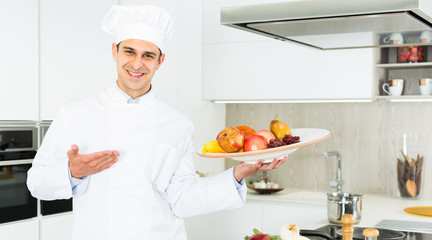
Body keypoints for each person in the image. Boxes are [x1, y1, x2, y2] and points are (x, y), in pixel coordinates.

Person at [27, 5, 286, 240]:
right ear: (114, 51)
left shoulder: (178, 124)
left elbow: (182, 198)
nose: (137, 64)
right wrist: (73, 172)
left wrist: (237, 175)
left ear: (160, 60)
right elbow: (36, 182)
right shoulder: (75, 113)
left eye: (148, 55)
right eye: (129, 51)